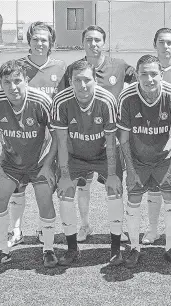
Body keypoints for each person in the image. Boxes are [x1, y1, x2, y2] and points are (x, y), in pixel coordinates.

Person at [62, 25, 137, 243]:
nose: (93, 44)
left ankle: (117, 228)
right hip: (81, 141)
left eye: (97, 40)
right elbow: (65, 100)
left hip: (109, 141)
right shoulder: (73, 69)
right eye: (88, 40)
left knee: (114, 185)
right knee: (82, 186)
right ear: (83, 43)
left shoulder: (120, 66)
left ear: (104, 43)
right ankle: (85, 225)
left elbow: (139, 80)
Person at [52, 60, 124, 266]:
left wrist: (111, 174)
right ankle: (72, 249)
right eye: (77, 80)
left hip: (103, 155)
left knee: (115, 191)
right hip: (74, 157)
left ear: (95, 80)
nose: (82, 85)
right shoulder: (61, 101)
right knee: (65, 195)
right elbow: (61, 142)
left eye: (87, 80)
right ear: (70, 81)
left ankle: (115, 249)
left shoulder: (107, 100)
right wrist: (65, 176)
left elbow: (111, 142)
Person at [117, 55, 171, 267]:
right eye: (144, 74)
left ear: (162, 75)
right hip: (137, 159)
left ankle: (170, 247)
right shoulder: (127, 97)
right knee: (133, 199)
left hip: (164, 158)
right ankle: (135, 248)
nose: (149, 79)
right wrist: (131, 170)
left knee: (170, 198)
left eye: (154, 74)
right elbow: (124, 138)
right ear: (137, 75)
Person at [8, 21, 66, 247]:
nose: (40, 43)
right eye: (36, 39)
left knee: (46, 185)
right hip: (20, 138)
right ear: (28, 41)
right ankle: (16, 230)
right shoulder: (17, 67)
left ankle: (43, 227)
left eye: (44, 39)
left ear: (51, 42)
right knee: (17, 187)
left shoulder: (61, 67)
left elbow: (63, 102)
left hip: (49, 140)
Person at [0, 60, 58, 267]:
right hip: (11, 163)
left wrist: (47, 165)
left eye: (17, 81)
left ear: (26, 81)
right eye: (7, 82)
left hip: (40, 162)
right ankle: (3, 250)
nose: (12, 87)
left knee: (45, 202)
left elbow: (58, 136)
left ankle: (49, 249)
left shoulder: (41, 101)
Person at [139, 28, 171, 245]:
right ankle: (152, 230)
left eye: (170, 42)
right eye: (161, 42)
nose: (165, 46)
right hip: (149, 140)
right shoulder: (144, 70)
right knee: (153, 189)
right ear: (155, 44)